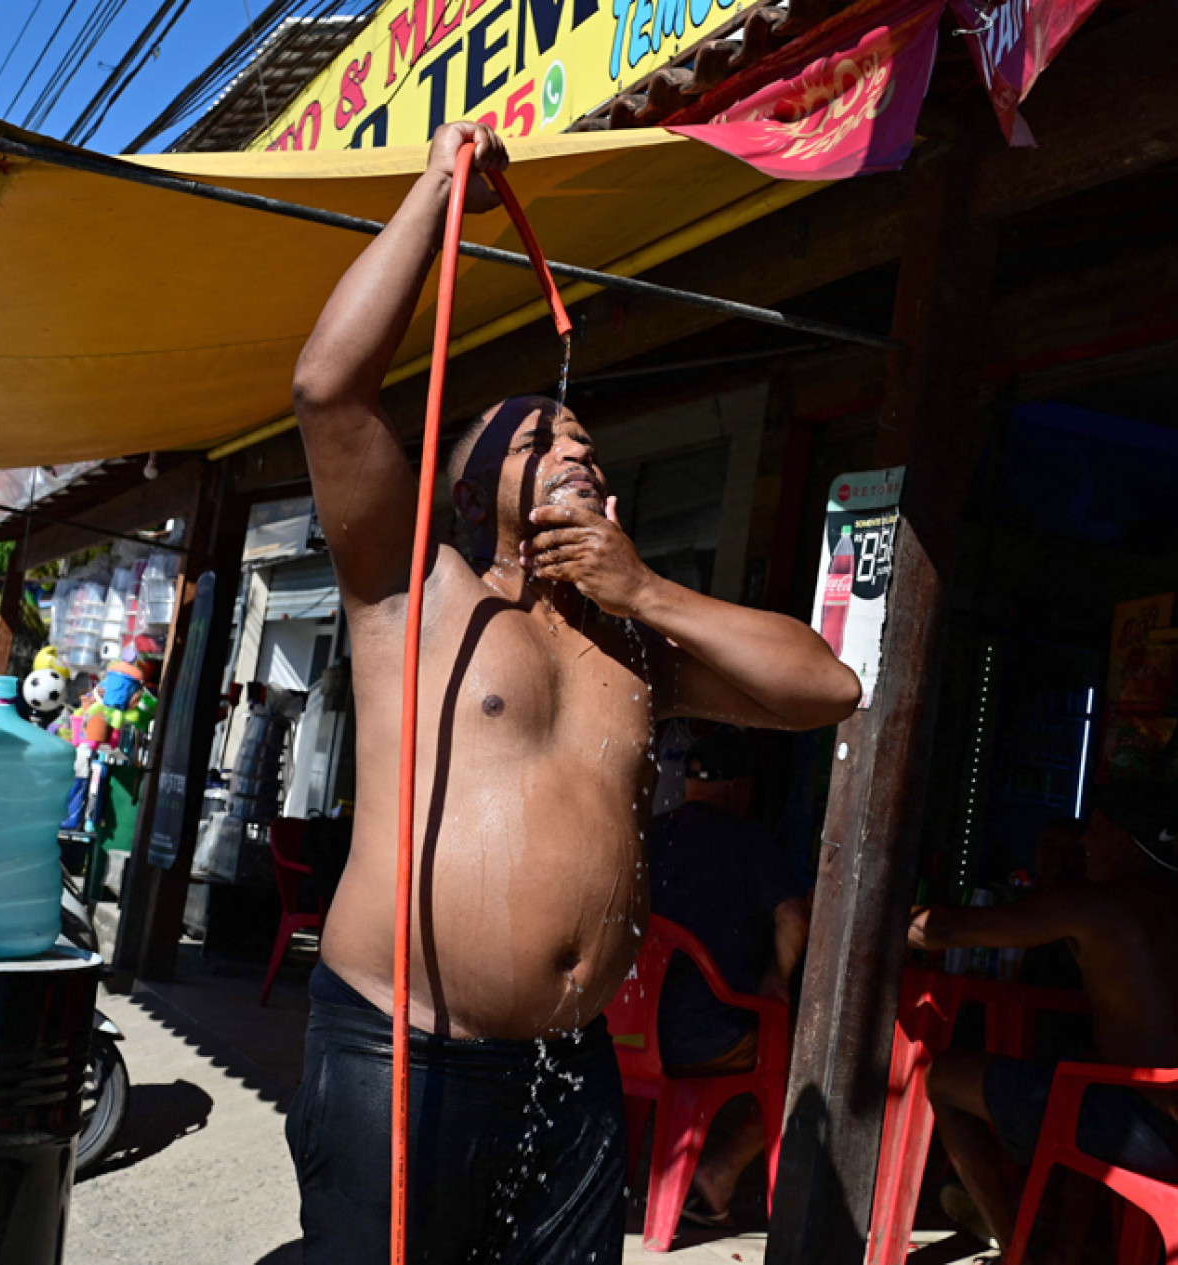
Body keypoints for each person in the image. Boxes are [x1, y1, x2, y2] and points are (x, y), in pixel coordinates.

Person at [284, 121, 862, 1265]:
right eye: (543, 441)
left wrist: (648, 588)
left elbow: (828, 688)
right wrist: (435, 196)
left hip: (568, 1057)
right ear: (463, 488)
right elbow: (328, 386)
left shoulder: (633, 637)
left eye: (590, 449)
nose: (579, 456)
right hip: (399, 1047)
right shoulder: (415, 591)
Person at [907, 785, 1178, 1250]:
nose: (1084, 842)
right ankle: (1059, 1237)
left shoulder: (1100, 904)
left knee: (946, 1076)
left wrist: (866, 912)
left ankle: (1018, 1249)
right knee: (1069, 1068)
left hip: (1156, 1137)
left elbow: (943, 929)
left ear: (1118, 836)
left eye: (1093, 829)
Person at [646, 726, 811, 1227]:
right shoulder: (749, 841)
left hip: (626, 1038)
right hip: (708, 1041)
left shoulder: (648, 834)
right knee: (816, 1058)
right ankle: (720, 1172)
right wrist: (776, 979)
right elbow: (793, 917)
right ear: (741, 787)